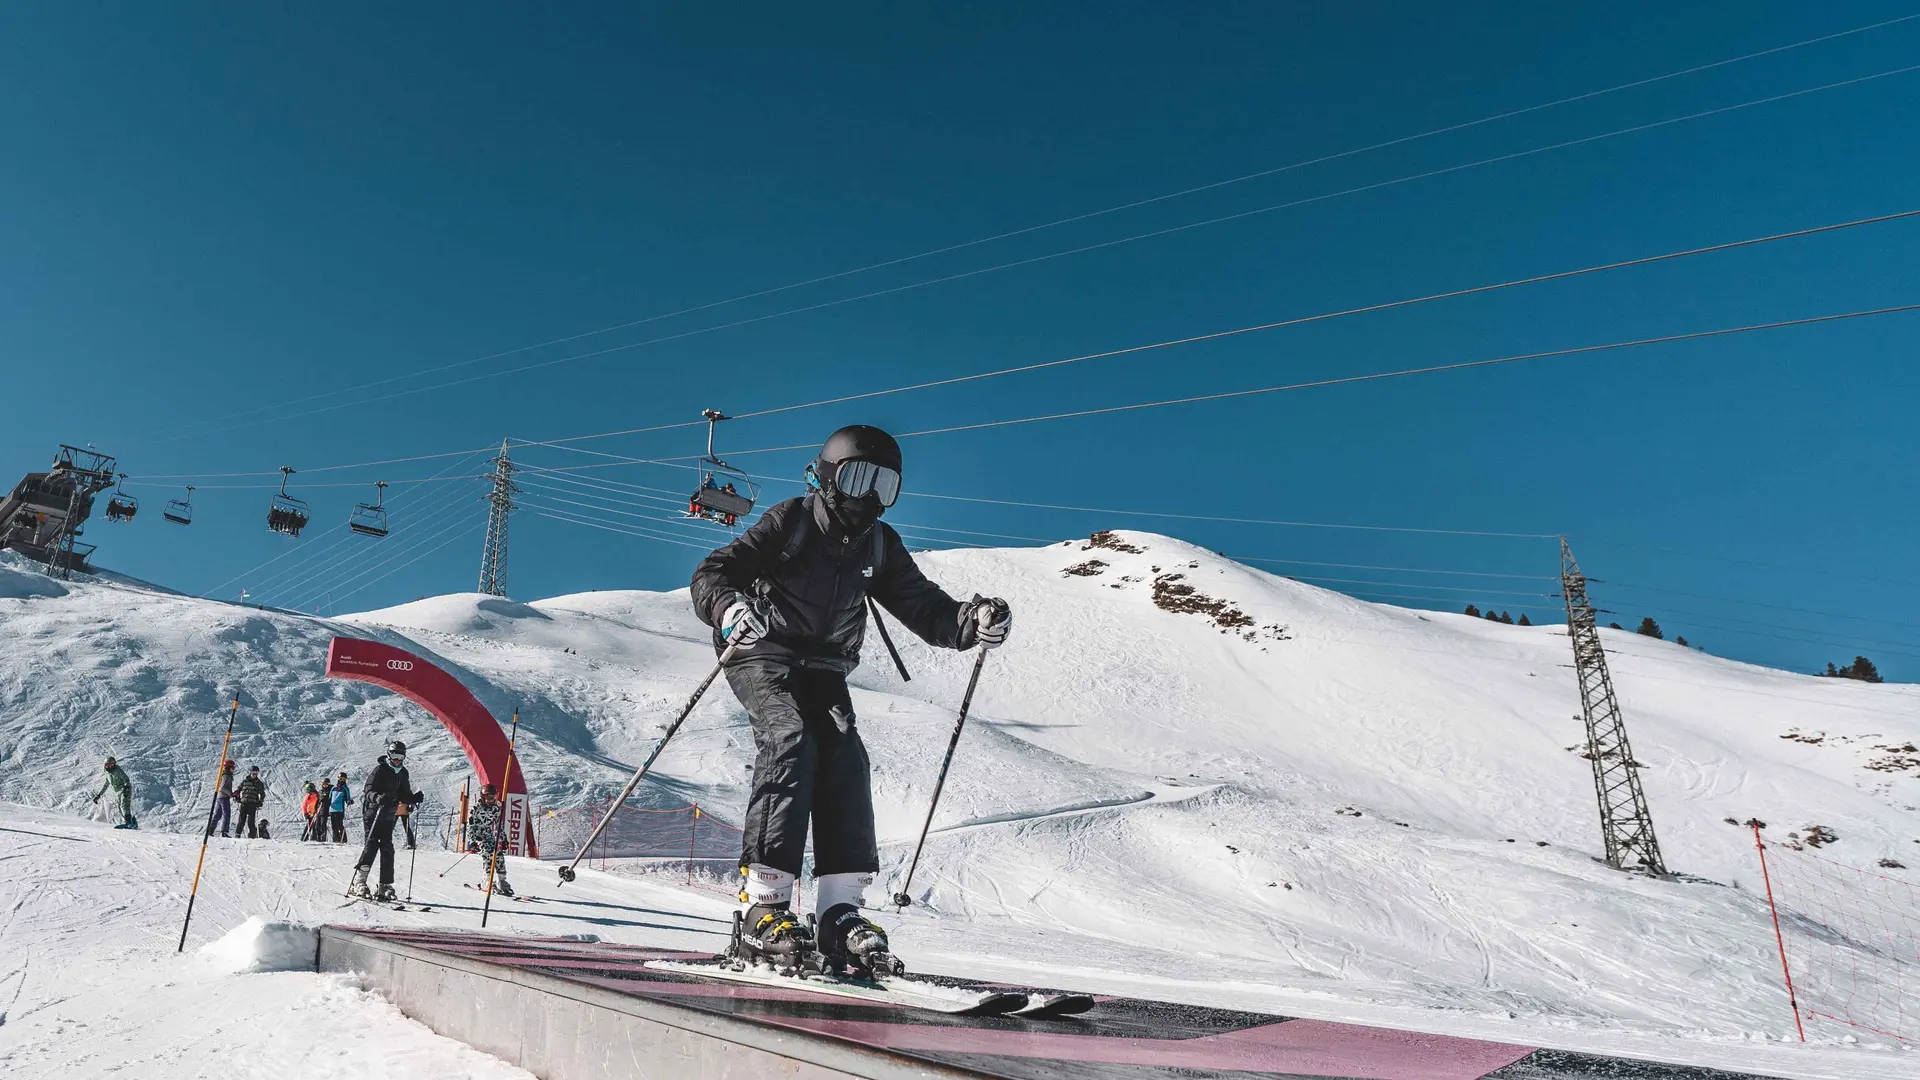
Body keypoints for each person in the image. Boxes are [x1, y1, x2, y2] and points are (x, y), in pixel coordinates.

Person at [689, 424, 1012, 974]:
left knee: (844, 757)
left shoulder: (879, 544)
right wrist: (727, 608)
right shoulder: (789, 520)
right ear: (827, 475)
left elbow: (924, 606)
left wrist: (970, 621)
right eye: (860, 478)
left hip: (826, 666)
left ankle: (839, 912)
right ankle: (761, 908)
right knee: (789, 738)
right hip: (761, 650)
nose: (868, 497)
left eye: (884, 486)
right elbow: (715, 572)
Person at [348, 741, 423, 902]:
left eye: (400, 756)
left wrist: (413, 798)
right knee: (371, 845)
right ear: (389, 755)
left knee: (388, 848)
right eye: (394, 755)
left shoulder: (403, 773)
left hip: (389, 814)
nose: (397, 759)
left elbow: (404, 794)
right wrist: (377, 797)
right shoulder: (380, 770)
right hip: (373, 813)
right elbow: (368, 789)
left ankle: (385, 884)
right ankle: (359, 882)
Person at [467, 783, 513, 897]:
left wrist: (503, 839)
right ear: (483, 797)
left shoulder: (496, 808)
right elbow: (470, 826)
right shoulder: (476, 809)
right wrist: (472, 841)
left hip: (488, 835)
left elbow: (498, 824)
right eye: (487, 798)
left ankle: (502, 881)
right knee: (488, 854)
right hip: (478, 836)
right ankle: (487, 880)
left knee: (499, 855)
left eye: (492, 797)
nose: (490, 800)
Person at [94, 755, 137, 829]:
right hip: (118, 792)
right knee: (120, 807)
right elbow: (106, 785)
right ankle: (129, 822)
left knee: (124, 805)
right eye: (107, 765)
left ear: (114, 765)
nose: (109, 767)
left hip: (124, 789)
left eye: (111, 765)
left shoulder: (117, 770)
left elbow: (126, 778)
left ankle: (130, 823)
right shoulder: (108, 774)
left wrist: (126, 788)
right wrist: (99, 795)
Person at [235, 765, 266, 838]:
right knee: (241, 820)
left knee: (251, 822)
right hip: (244, 803)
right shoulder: (245, 781)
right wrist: (237, 796)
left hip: (253, 804)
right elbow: (238, 789)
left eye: (256, 772)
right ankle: (237, 834)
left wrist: (260, 802)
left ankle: (252, 835)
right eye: (253, 771)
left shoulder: (259, 783)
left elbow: (262, 793)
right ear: (250, 772)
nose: (254, 773)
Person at [207, 760, 236, 838]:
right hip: (224, 797)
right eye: (233, 767)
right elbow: (223, 787)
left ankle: (210, 831)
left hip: (220, 797)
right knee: (226, 814)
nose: (234, 769)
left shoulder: (223, 775)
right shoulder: (227, 776)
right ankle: (224, 832)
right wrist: (231, 793)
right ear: (229, 767)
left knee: (218, 814)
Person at [329, 770, 353, 843]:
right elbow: (330, 798)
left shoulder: (345, 789)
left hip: (340, 809)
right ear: (338, 779)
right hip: (332, 809)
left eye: (343, 779)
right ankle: (335, 840)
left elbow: (347, 798)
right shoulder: (333, 788)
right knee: (333, 826)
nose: (342, 780)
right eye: (340, 779)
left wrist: (349, 801)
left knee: (339, 825)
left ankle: (343, 840)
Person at [314, 779, 333, 844]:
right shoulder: (320, 791)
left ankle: (323, 839)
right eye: (324, 784)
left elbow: (330, 800)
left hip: (325, 810)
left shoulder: (330, 791)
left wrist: (325, 800)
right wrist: (315, 809)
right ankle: (318, 838)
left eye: (326, 784)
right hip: (319, 810)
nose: (325, 785)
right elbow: (318, 800)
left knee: (322, 825)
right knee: (317, 825)